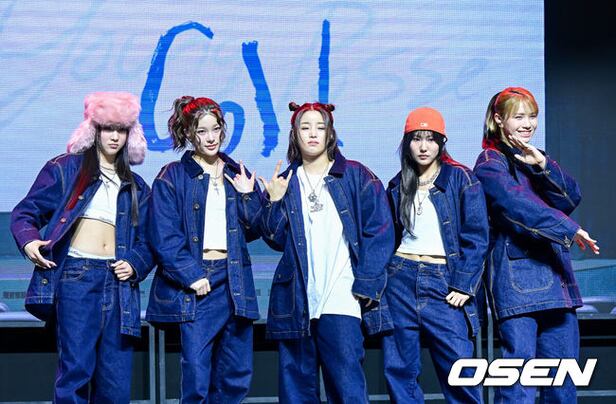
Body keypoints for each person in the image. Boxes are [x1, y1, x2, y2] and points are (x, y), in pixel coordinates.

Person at [10, 92, 154, 402]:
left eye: (121, 130)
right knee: (75, 371)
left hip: (118, 284)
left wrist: (136, 262)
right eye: (107, 128)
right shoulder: (66, 169)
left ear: (130, 135)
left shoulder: (137, 186)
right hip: (77, 276)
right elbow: (25, 212)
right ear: (93, 130)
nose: (114, 136)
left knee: (115, 381)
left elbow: (149, 241)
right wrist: (29, 240)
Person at [259, 101, 394, 403]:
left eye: (320, 127)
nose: (312, 134)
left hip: (342, 298)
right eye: (305, 127)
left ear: (330, 134)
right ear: (294, 134)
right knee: (295, 392)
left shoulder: (355, 175)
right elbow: (274, 239)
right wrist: (273, 201)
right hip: (296, 300)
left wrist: (367, 283)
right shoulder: (286, 181)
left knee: (347, 389)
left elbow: (380, 230)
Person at [474, 87, 600, 403]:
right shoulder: (490, 162)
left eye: (532, 116)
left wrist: (542, 164)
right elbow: (515, 203)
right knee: (519, 383)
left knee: (563, 381)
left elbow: (570, 197)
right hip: (517, 283)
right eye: (519, 117)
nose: (528, 124)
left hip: (557, 281)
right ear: (498, 119)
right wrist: (569, 229)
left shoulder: (533, 157)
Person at [146, 96, 263, 402]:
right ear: (188, 133)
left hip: (235, 277)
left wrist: (249, 196)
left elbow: (258, 229)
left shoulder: (236, 172)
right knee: (197, 374)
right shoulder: (173, 175)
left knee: (235, 374)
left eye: (216, 129)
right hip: (201, 279)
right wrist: (191, 274)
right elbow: (163, 234)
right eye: (201, 131)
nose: (211, 137)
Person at [382, 107, 489, 403]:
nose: (424, 146)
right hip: (400, 279)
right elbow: (388, 238)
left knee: (460, 369)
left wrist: (464, 284)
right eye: (416, 138)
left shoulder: (461, 179)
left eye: (431, 138)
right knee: (400, 370)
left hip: (443, 282)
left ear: (442, 142)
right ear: (407, 143)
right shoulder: (397, 185)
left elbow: (478, 236)